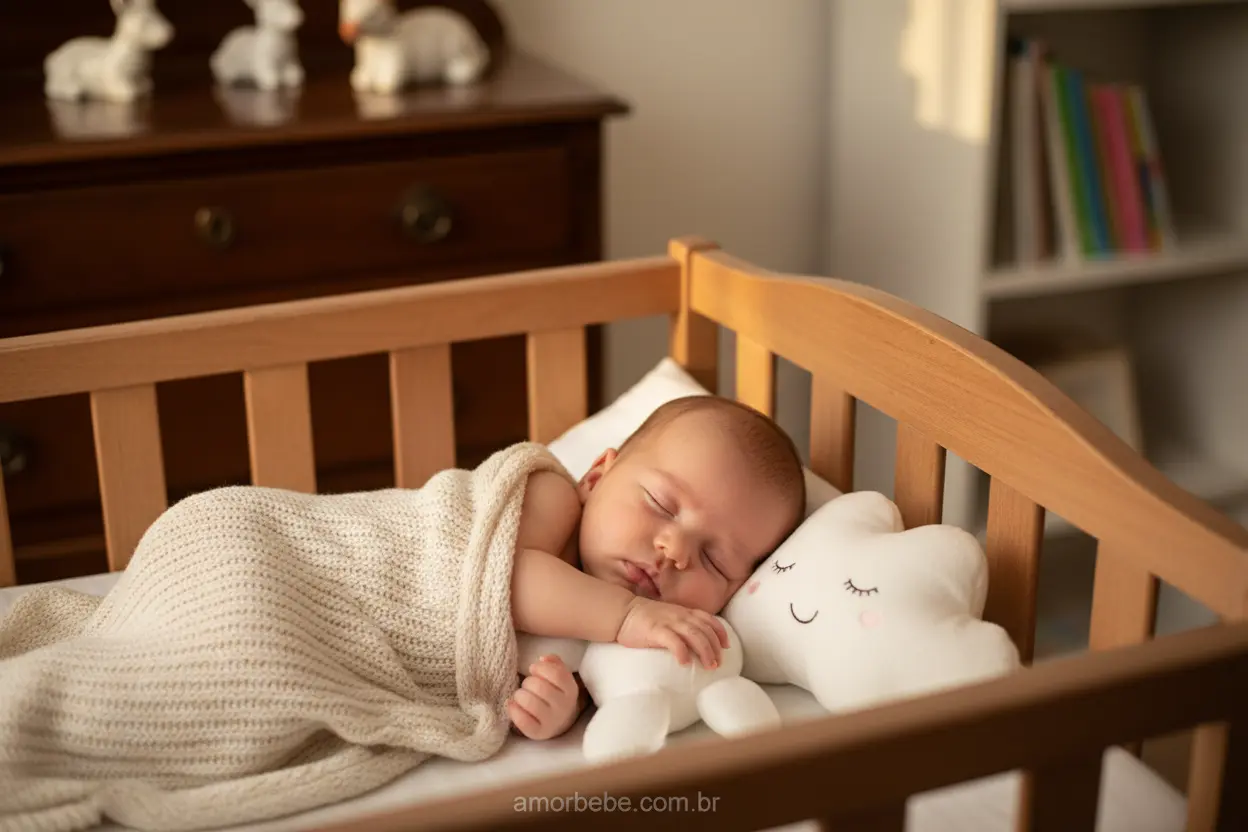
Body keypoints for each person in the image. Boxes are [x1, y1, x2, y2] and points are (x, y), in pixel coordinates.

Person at [507, 395, 807, 740]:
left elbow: (565, 682)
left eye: (714, 560)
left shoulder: (627, 648)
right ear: (594, 479)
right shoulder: (548, 498)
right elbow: (506, 582)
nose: (676, 551)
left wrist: (559, 708)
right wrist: (628, 616)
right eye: (661, 505)